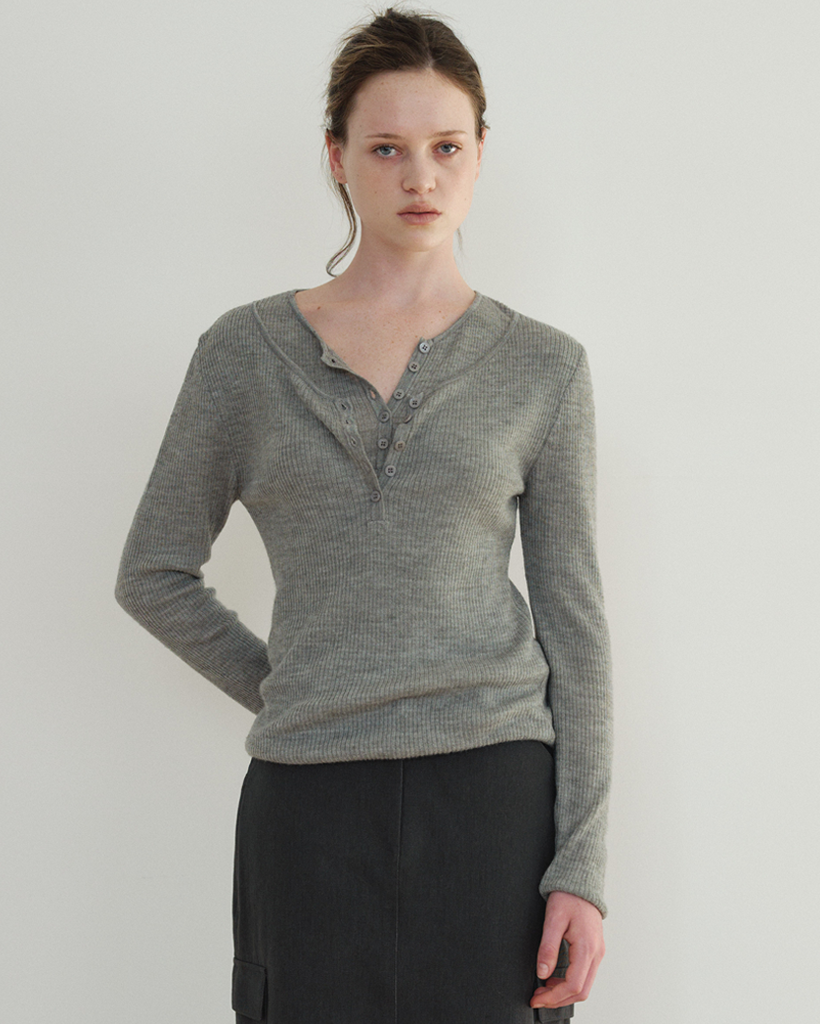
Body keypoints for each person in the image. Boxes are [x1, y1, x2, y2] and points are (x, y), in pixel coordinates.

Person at [115, 6, 613, 1023]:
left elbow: (577, 628)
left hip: (495, 801)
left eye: (446, 147)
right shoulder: (242, 356)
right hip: (309, 806)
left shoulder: (544, 368)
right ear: (337, 157)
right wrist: (296, 685)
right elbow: (153, 572)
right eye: (386, 147)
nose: (419, 176)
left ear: (480, 155)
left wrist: (582, 866)